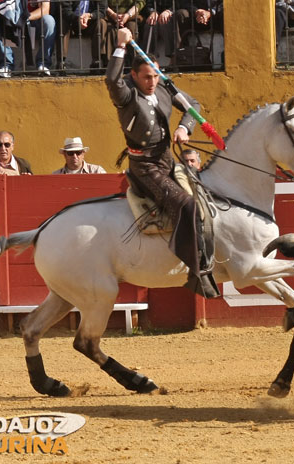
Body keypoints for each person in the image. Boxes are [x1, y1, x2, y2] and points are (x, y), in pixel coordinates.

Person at [105, 27, 219, 299]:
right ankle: (195, 270)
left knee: (206, 198)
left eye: (156, 75)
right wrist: (121, 46)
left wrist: (184, 129)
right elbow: (111, 80)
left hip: (167, 159)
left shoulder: (165, 89)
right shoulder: (127, 96)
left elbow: (193, 105)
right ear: (133, 76)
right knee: (187, 204)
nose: (152, 81)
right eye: (146, 77)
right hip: (144, 166)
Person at [51, 0, 107, 71]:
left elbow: (102, 11)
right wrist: (78, 19)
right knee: (62, 22)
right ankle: (61, 62)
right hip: (72, 21)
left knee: (101, 23)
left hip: (90, 21)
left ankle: (96, 62)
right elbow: (65, 10)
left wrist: (90, 16)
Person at [26, 0, 57, 75]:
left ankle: (43, 64)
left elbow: (45, 9)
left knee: (49, 20)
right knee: (1, 21)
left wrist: (24, 17)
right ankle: (6, 65)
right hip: (14, 20)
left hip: (35, 21)